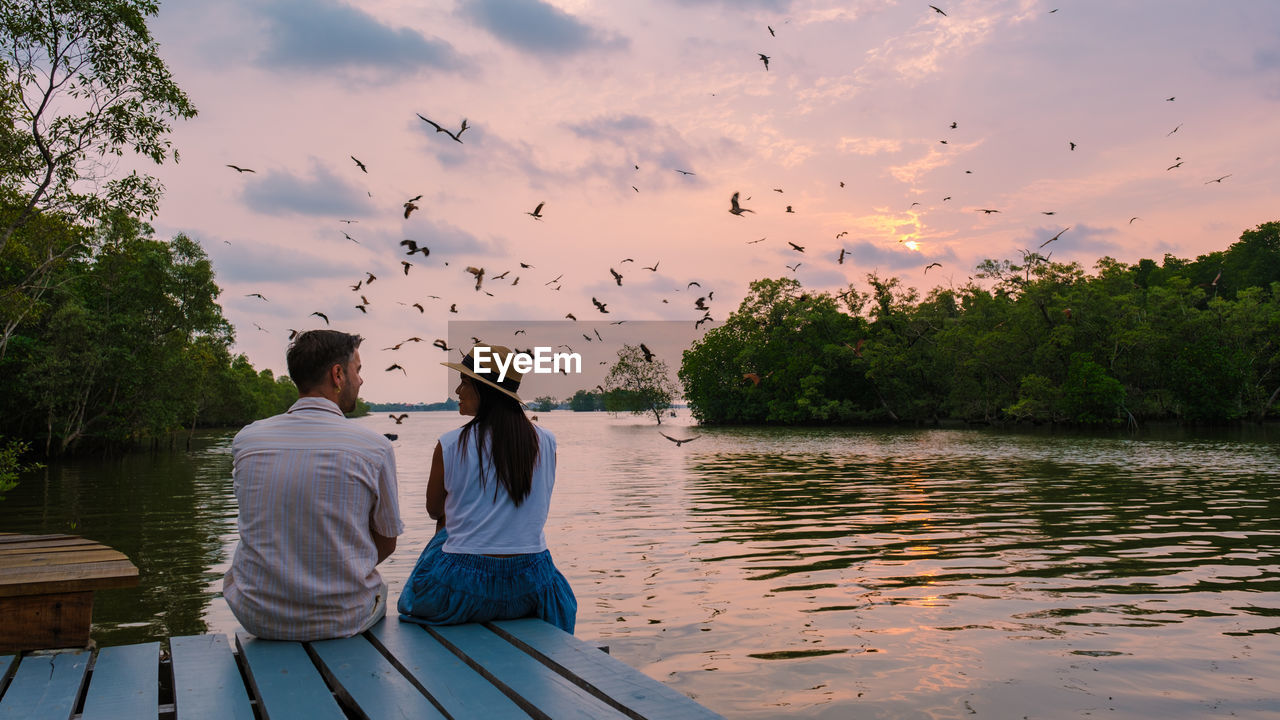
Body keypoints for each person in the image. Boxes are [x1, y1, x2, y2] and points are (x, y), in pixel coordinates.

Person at [223, 330, 403, 641]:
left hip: (257, 616)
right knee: (380, 589)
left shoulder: (247, 440)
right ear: (338, 375)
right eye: (357, 370)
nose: (360, 381)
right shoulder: (374, 447)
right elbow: (387, 543)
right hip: (342, 618)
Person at [398, 344, 577, 633]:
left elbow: (434, 511)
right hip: (530, 583)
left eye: (464, 382)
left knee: (445, 523)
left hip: (463, 589)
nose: (457, 391)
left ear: (485, 389)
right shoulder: (547, 441)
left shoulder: (450, 444)